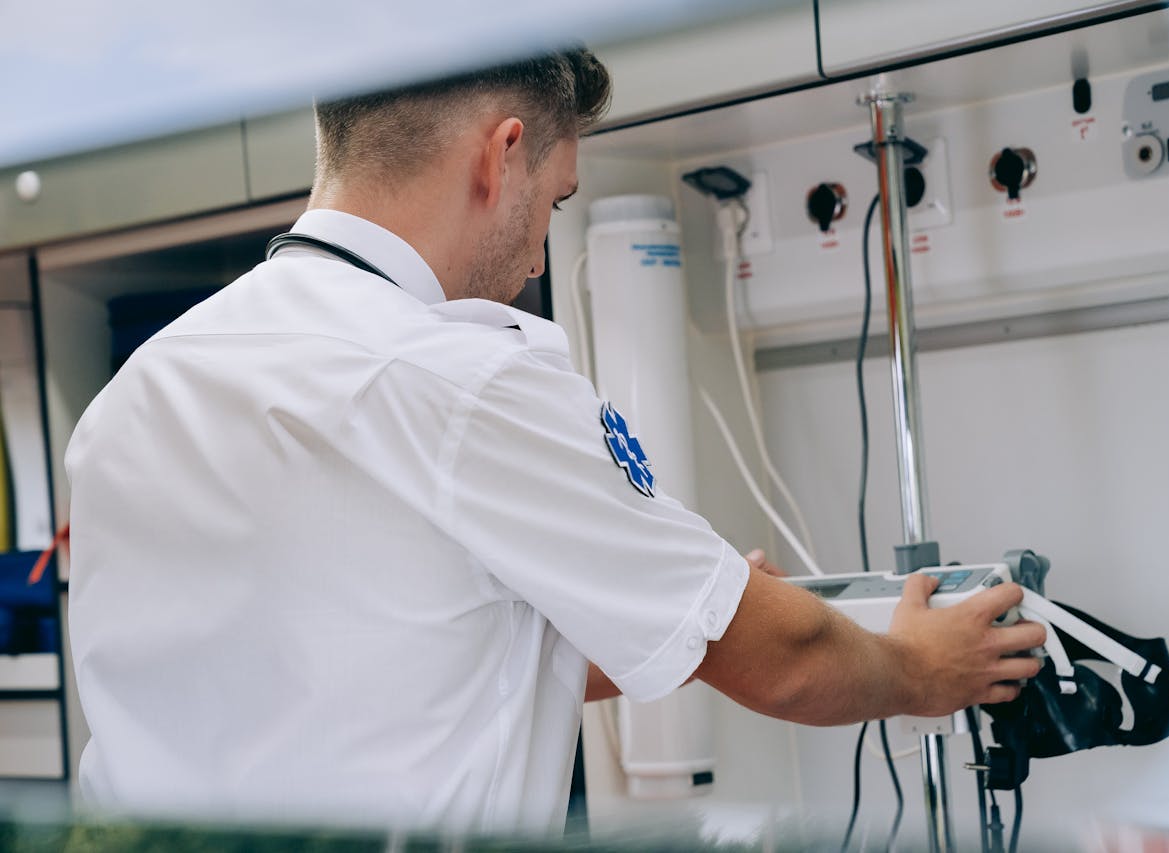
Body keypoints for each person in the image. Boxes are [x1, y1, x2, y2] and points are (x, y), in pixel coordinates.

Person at [66, 47, 1045, 837]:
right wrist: (923, 667)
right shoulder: (462, 378)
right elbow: (782, 660)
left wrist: (652, 608)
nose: (539, 253)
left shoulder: (143, 385)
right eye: (557, 199)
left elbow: (352, 664)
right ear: (500, 156)